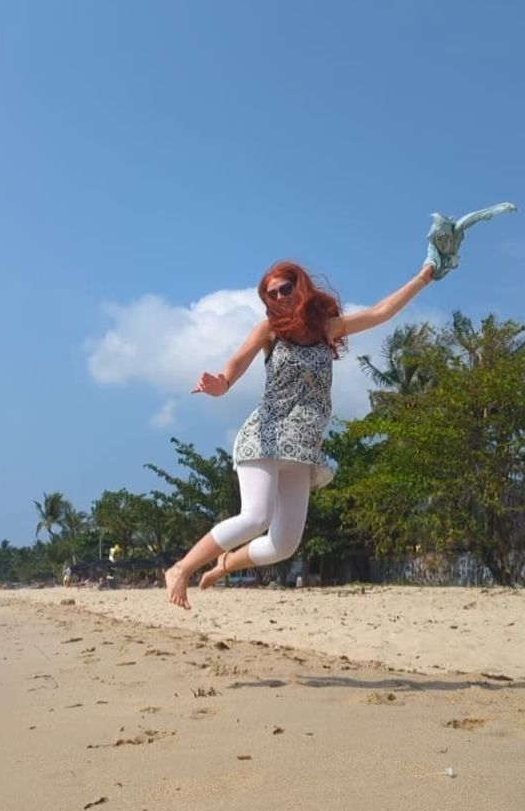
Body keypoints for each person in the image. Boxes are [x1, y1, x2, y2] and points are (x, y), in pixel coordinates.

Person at [164, 258, 434, 609]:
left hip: (303, 449)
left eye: (285, 289)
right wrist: (220, 385)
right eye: (270, 294)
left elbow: (381, 312)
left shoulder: (326, 329)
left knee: (284, 545)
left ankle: (225, 565)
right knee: (255, 517)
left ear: (300, 288)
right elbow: (234, 367)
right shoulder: (269, 332)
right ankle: (181, 568)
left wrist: (425, 275)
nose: (278, 298)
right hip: (265, 436)